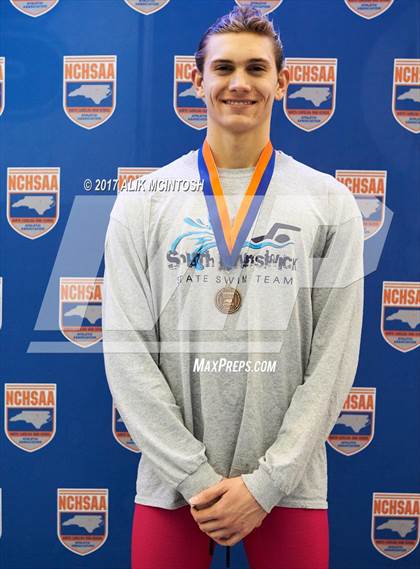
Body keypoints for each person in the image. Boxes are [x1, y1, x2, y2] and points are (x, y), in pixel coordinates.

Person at [102, 5, 364, 569]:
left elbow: (335, 357)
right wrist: (194, 475)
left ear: (282, 81)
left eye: (256, 68)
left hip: (286, 486)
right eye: (223, 69)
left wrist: (267, 483)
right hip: (175, 487)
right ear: (197, 82)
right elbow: (125, 352)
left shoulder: (330, 203)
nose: (239, 83)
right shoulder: (143, 201)